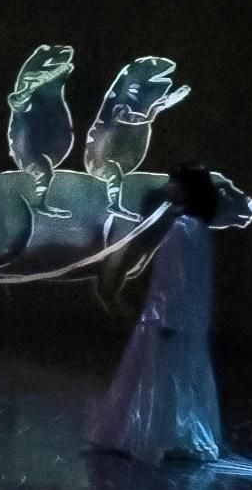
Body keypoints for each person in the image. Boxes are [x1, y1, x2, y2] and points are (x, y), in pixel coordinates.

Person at [88, 165, 241, 463]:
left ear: (185, 189)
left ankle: (152, 436)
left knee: (159, 378)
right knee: (167, 377)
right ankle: (153, 434)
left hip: (166, 317)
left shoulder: (185, 229)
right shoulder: (193, 227)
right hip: (170, 316)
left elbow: (178, 280)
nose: (168, 186)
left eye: (174, 182)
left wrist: (169, 318)